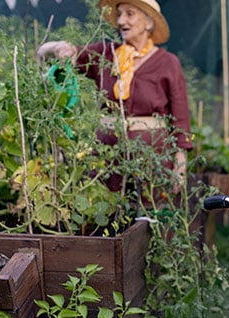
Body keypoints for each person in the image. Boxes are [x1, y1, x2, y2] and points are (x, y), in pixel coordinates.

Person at [37, 0, 192, 196]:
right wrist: (59, 47)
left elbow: (181, 116)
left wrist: (180, 164)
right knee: (104, 209)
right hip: (106, 154)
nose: (121, 20)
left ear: (148, 23)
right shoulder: (105, 54)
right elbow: (50, 52)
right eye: (119, 14)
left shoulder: (168, 63)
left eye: (129, 14)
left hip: (151, 155)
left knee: (148, 212)